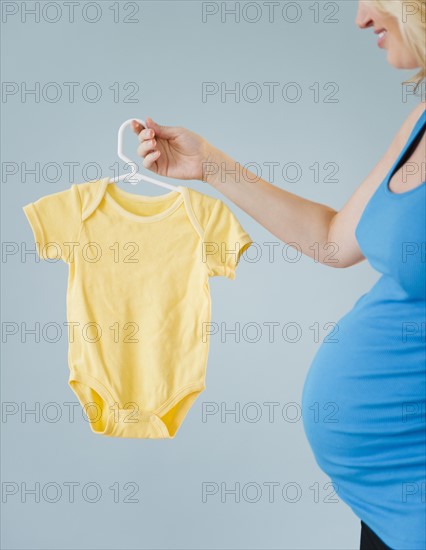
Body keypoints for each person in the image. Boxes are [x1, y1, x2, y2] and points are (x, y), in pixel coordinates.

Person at [131, 1, 425, 548]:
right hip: (384, 505)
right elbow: (334, 240)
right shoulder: (422, 120)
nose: (361, 17)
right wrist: (208, 163)